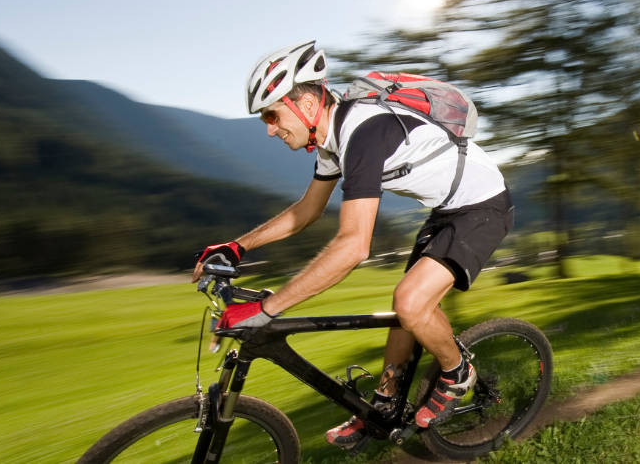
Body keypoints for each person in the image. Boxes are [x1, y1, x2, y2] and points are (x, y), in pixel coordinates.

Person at [192, 41, 514, 448]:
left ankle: (456, 372)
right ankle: (381, 406)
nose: (270, 128)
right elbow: (306, 210)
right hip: (446, 212)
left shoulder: (363, 131)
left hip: (483, 206)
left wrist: (266, 308)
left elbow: (353, 246)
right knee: (404, 315)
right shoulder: (334, 142)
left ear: (307, 105)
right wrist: (237, 246)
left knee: (412, 302)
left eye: (272, 115)